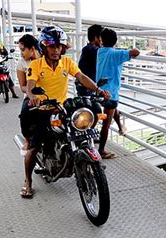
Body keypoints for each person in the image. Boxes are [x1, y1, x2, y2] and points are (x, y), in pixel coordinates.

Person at [21, 26, 110, 198]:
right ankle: (27, 181)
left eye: (59, 46)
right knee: (34, 146)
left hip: (61, 107)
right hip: (41, 107)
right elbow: (30, 84)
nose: (56, 50)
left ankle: (87, 161)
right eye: (52, 46)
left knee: (83, 127)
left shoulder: (66, 62)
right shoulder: (36, 64)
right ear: (44, 47)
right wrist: (32, 95)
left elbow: (81, 77)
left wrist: (98, 90)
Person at [96, 28, 139, 159]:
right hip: (111, 93)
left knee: (114, 111)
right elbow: (135, 52)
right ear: (115, 42)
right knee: (106, 124)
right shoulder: (116, 54)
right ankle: (101, 150)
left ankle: (121, 128)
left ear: (101, 40)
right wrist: (124, 49)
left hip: (99, 89)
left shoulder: (100, 51)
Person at [16, 34, 40, 151]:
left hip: (49, 95)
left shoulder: (45, 59)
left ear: (32, 48)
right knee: (25, 113)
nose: (21, 53)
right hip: (31, 96)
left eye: (22, 50)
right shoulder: (22, 64)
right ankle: (27, 139)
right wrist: (33, 92)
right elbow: (22, 87)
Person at [76, 24, 103, 97]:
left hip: (88, 85)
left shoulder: (89, 49)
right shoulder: (90, 49)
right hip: (86, 86)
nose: (103, 41)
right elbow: (103, 53)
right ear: (96, 38)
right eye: (102, 37)